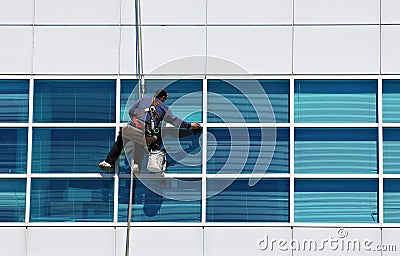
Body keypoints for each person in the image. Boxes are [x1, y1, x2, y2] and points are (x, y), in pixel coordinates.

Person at [99, 89, 201, 171]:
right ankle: (137, 164)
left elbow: (131, 111)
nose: (164, 100)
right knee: (142, 142)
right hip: (146, 132)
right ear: (162, 97)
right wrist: (189, 125)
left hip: (133, 127)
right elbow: (174, 121)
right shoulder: (164, 108)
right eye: (165, 98)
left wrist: (137, 119)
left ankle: (109, 162)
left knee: (120, 142)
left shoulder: (143, 99)